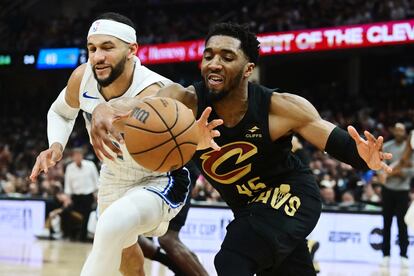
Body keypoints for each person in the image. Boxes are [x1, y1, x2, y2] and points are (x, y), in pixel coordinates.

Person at [90, 22, 392, 275]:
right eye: (208, 55)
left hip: (291, 194)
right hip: (248, 208)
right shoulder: (183, 102)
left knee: (232, 258)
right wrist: (107, 109)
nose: (214, 63)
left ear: (248, 68)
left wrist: (363, 157)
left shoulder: (280, 107)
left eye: (226, 56)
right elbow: (136, 107)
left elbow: (332, 138)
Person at [29, 12, 220, 276]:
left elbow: (179, 136)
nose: (98, 57)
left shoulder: (156, 89)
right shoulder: (82, 78)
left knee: (110, 225)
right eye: (92, 48)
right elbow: (61, 111)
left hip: (160, 178)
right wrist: (56, 145)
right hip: (113, 176)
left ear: (132, 50)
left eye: (108, 47)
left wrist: (106, 109)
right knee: (124, 252)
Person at [138, 161, 209, 276]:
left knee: (167, 238)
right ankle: (178, 267)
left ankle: (184, 267)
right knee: (130, 237)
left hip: (178, 167)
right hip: (153, 172)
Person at [378, 122, 411, 268]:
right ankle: (386, 255)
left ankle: (404, 255)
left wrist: (396, 172)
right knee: (386, 224)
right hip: (388, 190)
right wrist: (389, 174)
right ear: (393, 131)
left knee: (402, 224)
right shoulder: (387, 147)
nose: (399, 132)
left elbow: (413, 170)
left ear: (405, 133)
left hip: (403, 191)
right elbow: (380, 169)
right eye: (396, 130)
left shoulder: (410, 149)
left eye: (401, 130)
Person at [64, 148, 98, 241]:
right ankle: (70, 235)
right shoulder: (69, 167)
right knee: (67, 212)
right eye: (75, 155)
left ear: (82, 156)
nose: (77, 157)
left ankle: (83, 237)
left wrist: (97, 195)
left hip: (88, 196)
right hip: (75, 197)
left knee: (86, 215)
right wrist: (68, 198)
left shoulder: (90, 165)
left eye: (79, 155)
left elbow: (96, 181)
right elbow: (68, 185)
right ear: (73, 157)